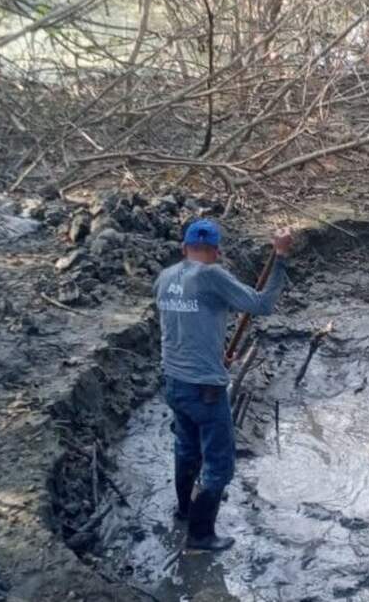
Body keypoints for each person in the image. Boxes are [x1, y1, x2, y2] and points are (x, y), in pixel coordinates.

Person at [154, 219, 292, 551]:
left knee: (186, 448)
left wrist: (215, 355)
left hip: (174, 381)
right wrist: (281, 256)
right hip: (204, 390)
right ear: (216, 252)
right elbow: (262, 305)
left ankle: (184, 510)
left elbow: (184, 326)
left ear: (184, 248)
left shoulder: (165, 278)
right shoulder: (212, 275)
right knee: (219, 463)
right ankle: (201, 536)